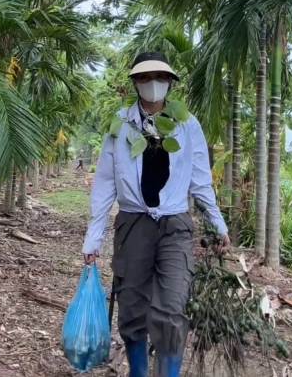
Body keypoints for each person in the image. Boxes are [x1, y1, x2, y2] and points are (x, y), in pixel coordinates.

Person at [82, 52, 230, 377]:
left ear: (170, 82)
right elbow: (105, 183)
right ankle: (138, 372)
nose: (153, 84)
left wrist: (217, 224)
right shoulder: (119, 126)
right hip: (133, 224)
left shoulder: (187, 125)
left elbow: (200, 180)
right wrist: (93, 238)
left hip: (175, 225)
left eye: (160, 77)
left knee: (173, 307)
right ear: (135, 82)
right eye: (145, 78)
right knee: (132, 305)